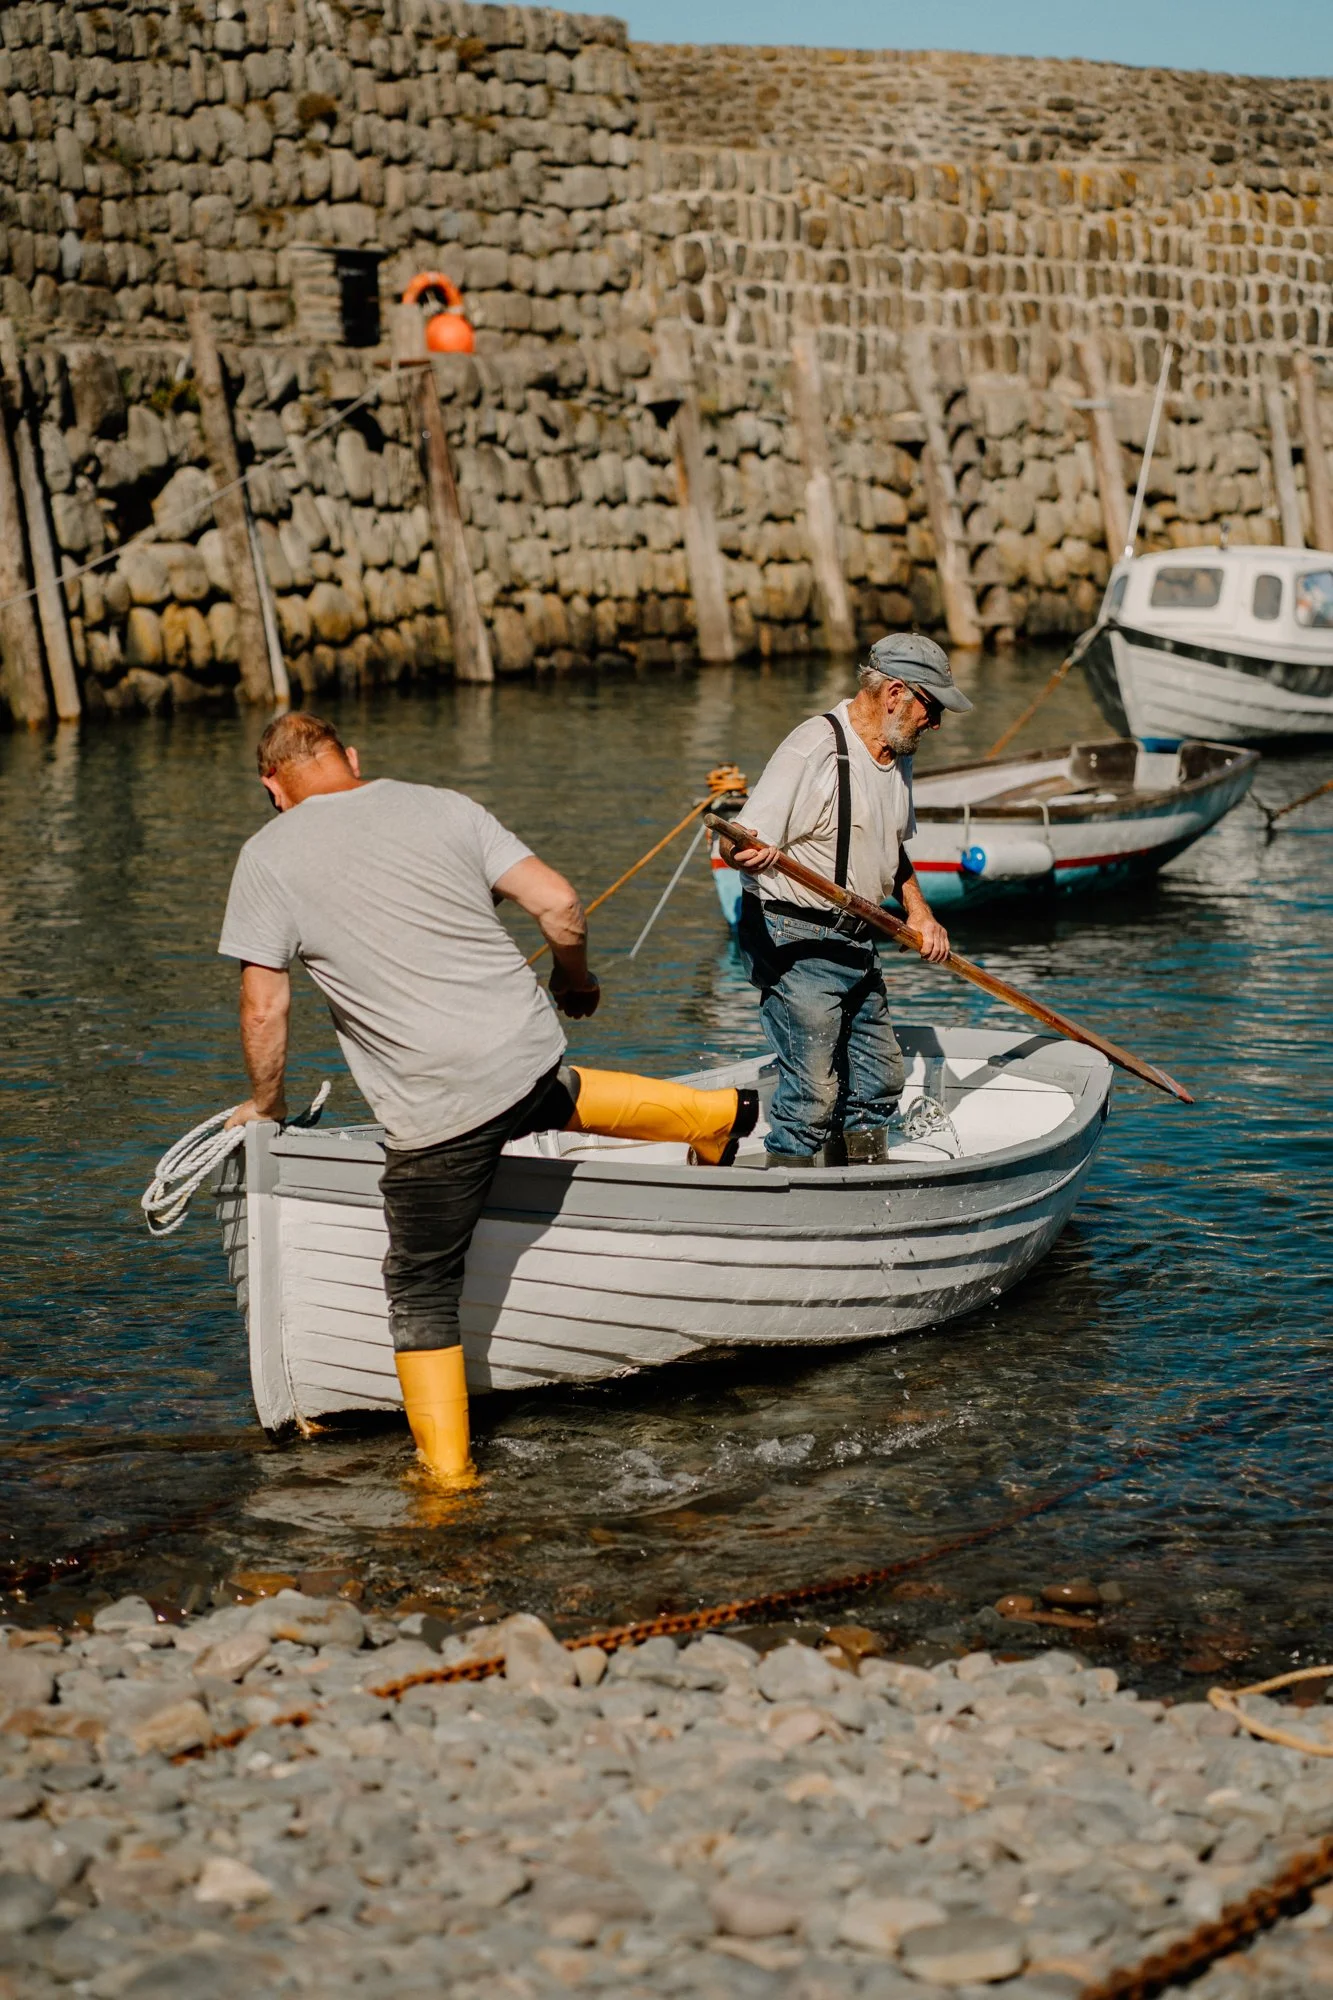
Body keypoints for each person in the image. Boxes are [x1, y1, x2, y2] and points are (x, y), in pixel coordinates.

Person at [217, 714, 755, 1486]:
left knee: (421, 1281)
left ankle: (448, 1480)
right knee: (548, 1094)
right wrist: (575, 980)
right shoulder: (444, 804)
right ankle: (716, 1114)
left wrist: (266, 1104)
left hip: (438, 1108)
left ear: (272, 788)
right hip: (527, 1053)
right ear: (354, 759)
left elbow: (264, 1008)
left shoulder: (266, 857)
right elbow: (560, 904)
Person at [729, 633, 971, 1167]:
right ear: (895, 694)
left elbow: (895, 849)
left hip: (856, 938)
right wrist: (745, 852)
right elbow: (736, 839)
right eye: (931, 710)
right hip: (795, 935)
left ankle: (860, 1180)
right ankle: (787, 1198)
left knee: (881, 1079)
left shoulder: (894, 751)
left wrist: (919, 910)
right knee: (814, 1094)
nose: (936, 724)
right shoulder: (811, 749)